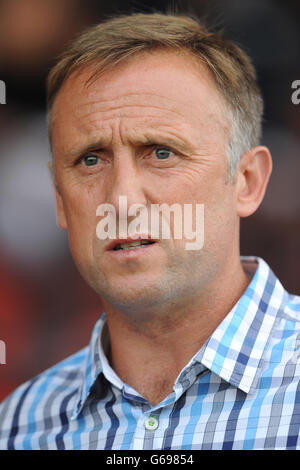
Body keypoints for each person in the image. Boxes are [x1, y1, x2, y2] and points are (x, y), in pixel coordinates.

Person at [0, 13, 299, 450]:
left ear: (248, 181)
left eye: (161, 152)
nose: (122, 199)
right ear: (61, 200)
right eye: (90, 159)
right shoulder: (18, 428)